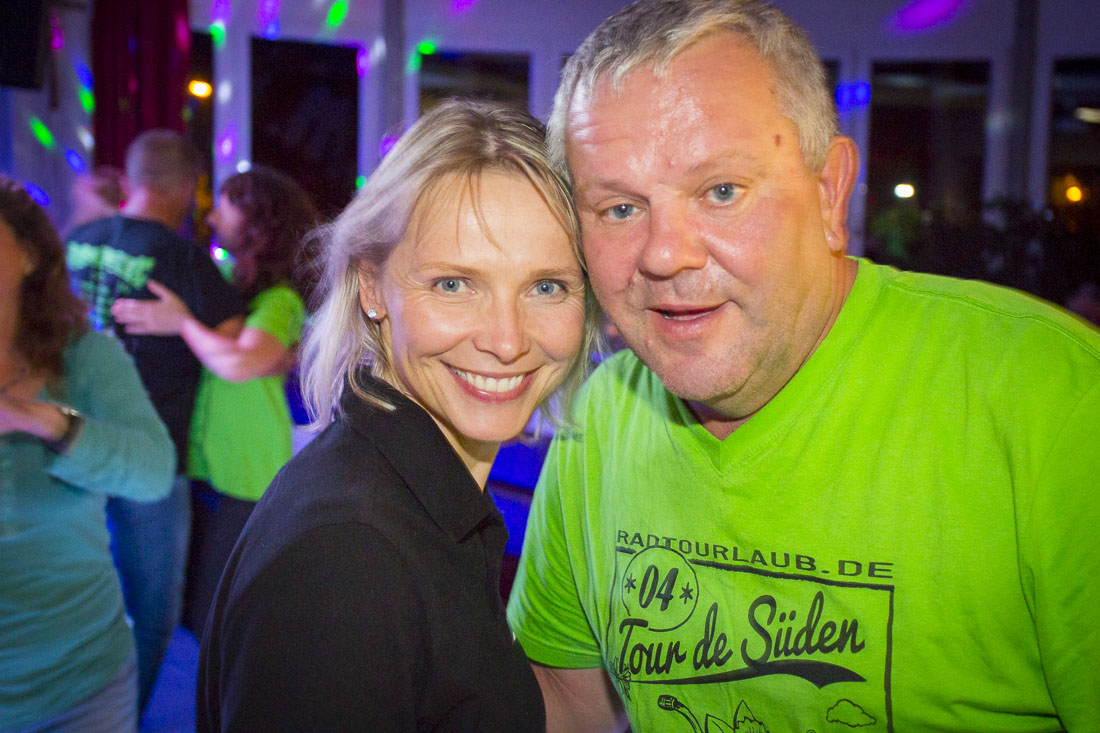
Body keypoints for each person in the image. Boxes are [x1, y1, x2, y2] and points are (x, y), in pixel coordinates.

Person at [505, 2, 1100, 732]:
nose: (663, 254)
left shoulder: (1055, 400)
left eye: (721, 191)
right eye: (620, 208)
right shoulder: (601, 416)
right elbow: (568, 705)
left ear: (829, 192)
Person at [195, 99, 601, 732]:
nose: (507, 340)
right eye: (454, 284)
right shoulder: (347, 561)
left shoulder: (423, 499)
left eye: (546, 286)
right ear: (371, 286)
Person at [65, 129, 245, 711]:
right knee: (151, 614)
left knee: (78, 604)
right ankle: (120, 719)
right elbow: (235, 345)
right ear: (188, 186)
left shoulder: (77, 241)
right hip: (151, 457)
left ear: (132, 177)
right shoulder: (182, 257)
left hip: (71, 445)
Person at [110, 165, 318, 634]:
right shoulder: (225, 279)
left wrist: (181, 322)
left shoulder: (280, 300)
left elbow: (239, 363)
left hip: (246, 473)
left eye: (224, 205)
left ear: (258, 220)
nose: (210, 215)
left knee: (213, 614)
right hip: (206, 465)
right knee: (191, 610)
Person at [0, 177, 175, 731]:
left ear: (28, 255)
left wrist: (39, 418)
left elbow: (154, 471)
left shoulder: (83, 358)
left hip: (79, 688)